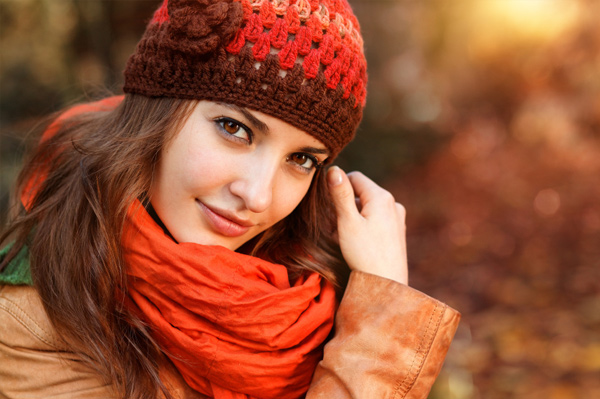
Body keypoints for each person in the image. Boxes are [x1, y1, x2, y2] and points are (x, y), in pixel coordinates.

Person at [0, 0, 460, 398]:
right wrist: (382, 332)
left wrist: (378, 294)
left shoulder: (305, 290)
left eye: (301, 159)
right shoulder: (31, 324)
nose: (257, 196)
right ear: (155, 111)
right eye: (234, 129)